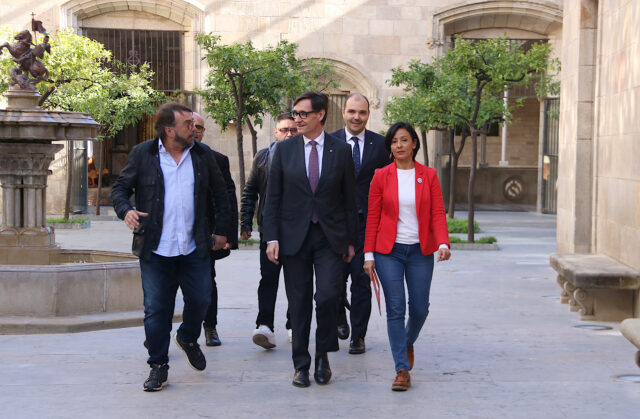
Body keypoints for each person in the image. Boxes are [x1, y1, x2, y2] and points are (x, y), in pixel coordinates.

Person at [111, 102, 230, 392]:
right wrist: (126, 210)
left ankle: (187, 337)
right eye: (188, 124)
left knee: (201, 299)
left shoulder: (202, 155)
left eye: (194, 124)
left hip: (194, 247)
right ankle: (158, 366)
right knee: (156, 310)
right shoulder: (143, 154)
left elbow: (222, 194)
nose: (194, 128)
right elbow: (120, 189)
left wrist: (222, 231)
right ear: (169, 130)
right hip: (155, 248)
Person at [262, 92, 358, 388]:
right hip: (294, 238)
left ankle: (322, 356)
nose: (298, 119)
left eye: (304, 114)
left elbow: (349, 199)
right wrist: (271, 237)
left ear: (321, 114)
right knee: (299, 303)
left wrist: (351, 240)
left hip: (329, 238)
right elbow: (273, 197)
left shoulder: (340, 150)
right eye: (295, 113)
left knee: (328, 297)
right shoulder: (285, 150)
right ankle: (301, 364)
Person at [363, 121, 450, 392]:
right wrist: (368, 254)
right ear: (390, 148)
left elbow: (437, 211)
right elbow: (373, 217)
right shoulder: (381, 176)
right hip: (388, 251)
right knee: (396, 309)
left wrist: (443, 242)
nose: (399, 145)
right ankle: (401, 369)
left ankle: (407, 340)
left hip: (420, 251)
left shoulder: (429, 175)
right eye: (394, 141)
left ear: (414, 143)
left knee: (420, 308)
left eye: (403, 140)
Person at [330, 93, 391, 354]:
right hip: (335, 225)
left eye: (362, 112)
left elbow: (389, 184)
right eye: (352, 111)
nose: (357, 117)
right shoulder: (329, 142)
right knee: (332, 282)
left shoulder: (381, 145)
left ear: (368, 114)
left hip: (367, 225)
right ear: (344, 112)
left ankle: (358, 336)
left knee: (361, 281)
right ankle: (339, 318)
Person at [240, 112, 296, 349]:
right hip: (270, 229)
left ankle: (294, 325)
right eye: (284, 130)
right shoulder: (263, 157)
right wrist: (245, 223)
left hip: (297, 231)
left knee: (296, 280)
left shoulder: (306, 157)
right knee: (268, 279)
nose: (289, 134)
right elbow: (250, 190)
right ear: (276, 132)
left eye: (293, 130)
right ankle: (264, 325)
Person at [193, 112, 238, 347]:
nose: (195, 130)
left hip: (206, 234)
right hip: (174, 234)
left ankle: (210, 327)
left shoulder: (217, 159)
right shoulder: (164, 157)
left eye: (200, 127)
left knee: (207, 281)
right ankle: (159, 332)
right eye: (191, 125)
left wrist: (228, 234)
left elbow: (228, 197)